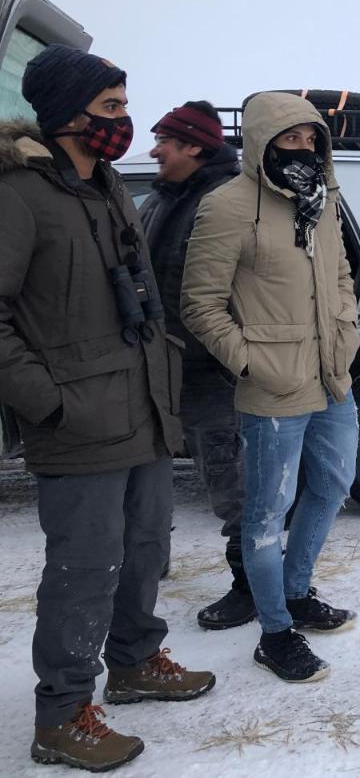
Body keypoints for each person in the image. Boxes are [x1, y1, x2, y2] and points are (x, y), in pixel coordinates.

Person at [0, 45, 214, 772]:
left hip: (144, 410)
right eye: (112, 109)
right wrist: (49, 403)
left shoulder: (109, 189)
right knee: (84, 569)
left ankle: (132, 661)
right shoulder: (18, 195)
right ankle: (62, 714)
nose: (125, 124)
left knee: (147, 546)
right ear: (66, 114)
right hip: (80, 421)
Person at [182, 91, 360, 683]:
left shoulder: (324, 199)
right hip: (272, 387)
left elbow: (340, 273)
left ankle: (298, 591)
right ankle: (275, 632)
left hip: (332, 375)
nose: (305, 148)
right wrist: (251, 362)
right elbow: (200, 305)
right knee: (266, 515)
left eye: (313, 139)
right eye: (291, 138)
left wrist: (346, 329)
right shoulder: (228, 206)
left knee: (332, 487)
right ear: (262, 142)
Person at [141, 101, 251, 629]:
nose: (154, 148)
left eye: (164, 139)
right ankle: (146, 565)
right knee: (148, 475)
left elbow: (242, 291)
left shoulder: (225, 201)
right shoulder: (162, 199)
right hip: (158, 368)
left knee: (232, 483)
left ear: (193, 147)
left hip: (211, 372)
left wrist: (235, 359)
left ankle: (251, 584)